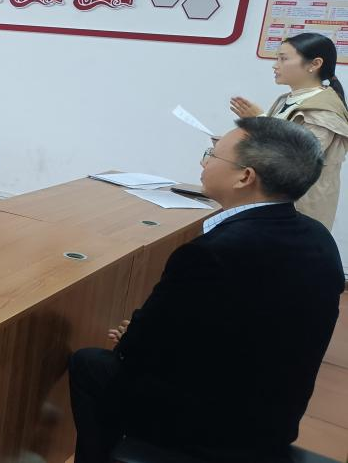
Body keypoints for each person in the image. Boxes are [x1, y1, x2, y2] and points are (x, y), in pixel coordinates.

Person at [69, 117, 344, 463]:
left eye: (212, 155)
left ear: (245, 177)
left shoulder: (214, 252)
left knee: (90, 364)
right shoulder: (319, 239)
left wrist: (133, 336)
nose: (203, 163)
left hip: (208, 431)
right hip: (274, 422)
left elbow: (139, 350)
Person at [230, 32, 348, 229]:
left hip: (299, 208)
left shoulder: (324, 110)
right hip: (272, 198)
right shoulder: (287, 99)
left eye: (283, 59)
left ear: (315, 64)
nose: (275, 65)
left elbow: (296, 159)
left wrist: (260, 120)